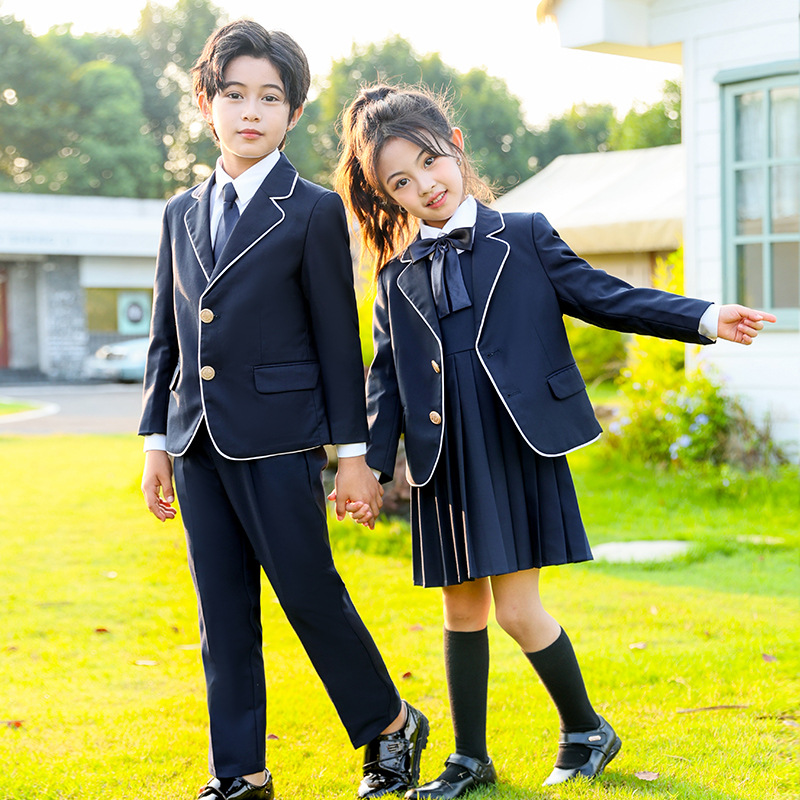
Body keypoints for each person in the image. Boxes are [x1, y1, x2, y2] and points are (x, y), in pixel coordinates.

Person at [332, 83, 776, 798]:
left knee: (515, 609)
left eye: (428, 161)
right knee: (461, 608)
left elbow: (609, 297)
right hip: (444, 461)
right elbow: (386, 380)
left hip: (513, 445)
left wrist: (705, 316)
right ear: (388, 196)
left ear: (456, 145)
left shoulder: (527, 235)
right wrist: (371, 469)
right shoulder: (396, 275)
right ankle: (470, 758)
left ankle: (585, 729)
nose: (425, 185)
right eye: (401, 182)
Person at [139, 28, 429, 800]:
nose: (250, 112)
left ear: (293, 113)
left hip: (280, 440)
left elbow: (340, 342)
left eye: (270, 97)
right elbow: (166, 335)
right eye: (234, 94)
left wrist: (356, 455)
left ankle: (391, 727)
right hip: (197, 438)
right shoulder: (179, 212)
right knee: (222, 614)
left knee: (308, 594)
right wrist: (155, 442)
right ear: (207, 104)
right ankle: (240, 772)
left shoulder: (310, 211)